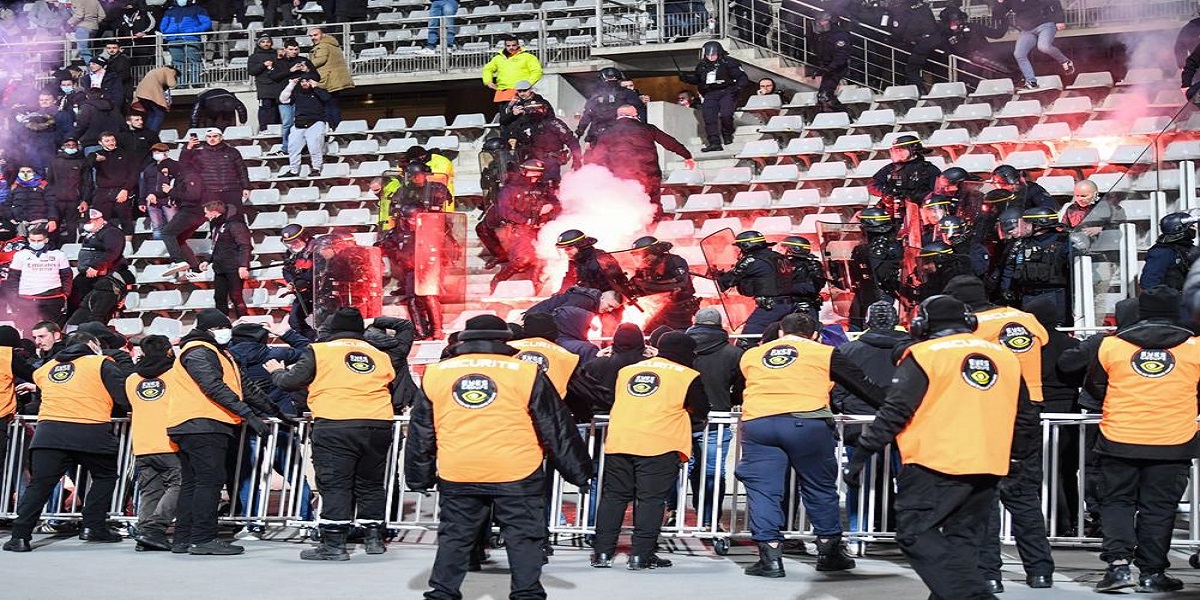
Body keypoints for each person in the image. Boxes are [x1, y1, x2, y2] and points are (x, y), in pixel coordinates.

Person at [846, 294, 1034, 599]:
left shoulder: (925, 354)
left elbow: (896, 410)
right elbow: (1026, 416)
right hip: (989, 462)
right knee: (962, 541)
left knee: (914, 533)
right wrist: (1018, 457)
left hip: (935, 460)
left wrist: (864, 452)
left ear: (921, 325)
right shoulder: (1005, 356)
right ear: (969, 321)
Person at [406, 314, 592, 599]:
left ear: (465, 339)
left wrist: (419, 476)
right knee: (524, 537)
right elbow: (555, 426)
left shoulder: (438, 372)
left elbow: (422, 431)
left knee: (454, 536)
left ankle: (442, 592)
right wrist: (578, 471)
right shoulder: (525, 372)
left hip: (459, 468)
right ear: (505, 338)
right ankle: (526, 593)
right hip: (516, 469)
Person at [738, 313, 885, 577]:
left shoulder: (752, 355)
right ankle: (829, 553)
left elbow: (741, 387)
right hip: (807, 422)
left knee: (764, 490)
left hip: (758, 423)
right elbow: (862, 386)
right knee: (819, 488)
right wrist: (897, 409)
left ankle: (770, 558)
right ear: (815, 335)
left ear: (781, 332)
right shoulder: (824, 352)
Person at [942, 275, 1053, 591]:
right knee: (1024, 497)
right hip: (1030, 406)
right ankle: (1040, 571)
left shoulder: (972, 327)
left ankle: (989, 574)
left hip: (988, 407)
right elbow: (1041, 342)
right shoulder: (1025, 318)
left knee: (984, 498)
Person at [1086, 286, 1199, 593]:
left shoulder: (1112, 346)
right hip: (1173, 440)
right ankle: (1151, 573)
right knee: (1159, 508)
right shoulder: (1195, 347)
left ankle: (1118, 567)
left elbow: (1096, 387)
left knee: (1116, 502)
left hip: (1119, 436)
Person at [266, 307, 401, 561]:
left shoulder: (320, 350)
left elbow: (290, 381)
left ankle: (334, 544)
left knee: (335, 482)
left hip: (336, 422)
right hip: (378, 422)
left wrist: (276, 372)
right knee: (371, 483)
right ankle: (374, 539)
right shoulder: (378, 354)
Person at [3, 331, 129, 552]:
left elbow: (41, 398)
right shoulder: (101, 363)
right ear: (92, 344)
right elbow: (123, 398)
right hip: (91, 429)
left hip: (49, 433)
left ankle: (19, 537)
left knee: (40, 485)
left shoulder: (45, 369)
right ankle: (93, 526)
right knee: (105, 476)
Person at [592, 331, 708, 569]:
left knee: (614, 497)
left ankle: (602, 553)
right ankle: (641, 555)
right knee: (650, 500)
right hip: (659, 442)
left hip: (621, 440)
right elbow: (701, 408)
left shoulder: (628, 371)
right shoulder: (687, 375)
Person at [167, 309, 278, 555]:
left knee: (193, 483)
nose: (226, 332)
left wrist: (275, 410)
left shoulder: (218, 353)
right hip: (202, 423)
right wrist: (248, 414)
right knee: (209, 481)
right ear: (210, 329)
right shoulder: (198, 350)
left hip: (196, 424)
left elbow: (244, 387)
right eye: (221, 328)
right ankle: (203, 538)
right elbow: (213, 386)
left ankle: (184, 538)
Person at [685, 308, 744, 526]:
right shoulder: (733, 353)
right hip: (718, 418)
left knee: (682, 470)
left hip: (683, 418)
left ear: (694, 322)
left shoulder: (683, 350)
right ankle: (710, 519)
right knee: (713, 471)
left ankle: (674, 513)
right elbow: (740, 389)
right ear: (720, 326)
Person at [584, 104, 695, 218]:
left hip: (620, 176)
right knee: (653, 205)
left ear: (618, 116)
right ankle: (652, 230)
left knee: (623, 205)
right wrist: (687, 155)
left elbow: (597, 155)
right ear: (635, 115)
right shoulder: (647, 128)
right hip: (649, 174)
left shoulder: (607, 132)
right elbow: (670, 142)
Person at [126, 334, 182, 552]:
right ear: (168, 350)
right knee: (180, 484)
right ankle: (154, 527)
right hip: (169, 441)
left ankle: (144, 533)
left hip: (141, 442)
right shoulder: (176, 374)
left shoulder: (132, 379)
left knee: (150, 490)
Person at [377, 204, 444, 340]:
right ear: (403, 219)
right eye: (412, 219)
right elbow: (385, 246)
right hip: (410, 270)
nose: (415, 222)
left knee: (429, 296)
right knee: (412, 300)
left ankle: (437, 329)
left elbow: (447, 248)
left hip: (429, 268)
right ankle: (420, 331)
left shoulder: (431, 230)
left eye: (417, 219)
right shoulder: (396, 233)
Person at [511, 312, 594, 422]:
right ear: (554, 331)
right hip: (547, 420)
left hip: (507, 417)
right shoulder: (565, 356)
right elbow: (582, 392)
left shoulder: (508, 349)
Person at [480, 158, 556, 273]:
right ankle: (500, 256)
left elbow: (556, 201)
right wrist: (526, 220)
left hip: (537, 227)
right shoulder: (511, 188)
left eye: (538, 176)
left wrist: (550, 205)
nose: (535, 180)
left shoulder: (542, 186)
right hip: (519, 226)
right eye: (532, 176)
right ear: (524, 172)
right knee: (518, 260)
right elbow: (505, 210)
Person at [714, 230, 791, 342]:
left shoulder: (752, 260)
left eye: (740, 247)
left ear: (746, 246)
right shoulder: (778, 257)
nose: (739, 251)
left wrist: (718, 275)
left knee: (747, 340)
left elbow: (728, 281)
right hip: (789, 305)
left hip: (770, 308)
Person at [1001, 207, 1071, 321]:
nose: (1022, 226)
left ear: (1038, 225)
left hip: (1055, 295)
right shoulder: (1021, 243)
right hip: (1028, 296)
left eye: (1026, 224)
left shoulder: (1064, 242)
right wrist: (1006, 289)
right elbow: (1010, 267)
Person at [679, 41, 749, 152]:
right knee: (709, 118)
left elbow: (742, 77)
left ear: (719, 53)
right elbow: (698, 79)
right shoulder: (702, 65)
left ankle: (727, 133)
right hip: (710, 93)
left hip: (727, 91)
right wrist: (686, 78)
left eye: (713, 54)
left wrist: (738, 87)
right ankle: (714, 142)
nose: (711, 57)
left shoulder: (729, 62)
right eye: (708, 55)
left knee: (726, 114)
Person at [996, 0, 1073, 89]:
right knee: (1019, 54)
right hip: (1027, 30)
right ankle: (1031, 82)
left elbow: (1054, 3)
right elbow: (998, 14)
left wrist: (1060, 20)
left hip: (1045, 24)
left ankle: (1065, 61)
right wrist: (1000, 3)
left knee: (1044, 47)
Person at [868, 135, 941, 229]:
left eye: (900, 150)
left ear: (913, 150)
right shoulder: (890, 168)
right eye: (895, 150)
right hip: (890, 209)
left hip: (918, 212)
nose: (897, 153)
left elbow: (937, 193)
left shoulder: (928, 169)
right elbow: (872, 184)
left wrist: (914, 196)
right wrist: (886, 192)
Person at [628, 236, 699, 331]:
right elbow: (637, 286)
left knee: (678, 337)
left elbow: (681, 284)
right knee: (648, 336)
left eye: (644, 255)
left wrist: (647, 285)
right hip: (657, 311)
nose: (643, 259)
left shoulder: (675, 261)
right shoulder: (644, 268)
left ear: (655, 251)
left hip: (680, 310)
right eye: (638, 256)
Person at [848, 208, 903, 328]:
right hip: (864, 295)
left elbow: (883, 276)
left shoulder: (885, 249)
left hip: (882, 299)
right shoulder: (863, 249)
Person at [6, 224, 71, 324]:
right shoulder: (20, 255)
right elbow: (13, 278)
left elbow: (66, 276)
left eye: (39, 240)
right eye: (33, 240)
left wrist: (65, 294)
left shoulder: (58, 254)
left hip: (53, 298)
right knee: (27, 329)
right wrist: (15, 298)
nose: (36, 243)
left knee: (52, 328)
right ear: (28, 240)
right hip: (26, 298)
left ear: (46, 240)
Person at [68, 209, 129, 315]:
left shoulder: (111, 232)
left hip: (104, 273)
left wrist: (96, 266)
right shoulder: (91, 233)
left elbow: (112, 252)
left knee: (101, 303)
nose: (86, 225)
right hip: (87, 273)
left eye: (88, 222)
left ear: (98, 220)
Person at [197, 201, 251, 318]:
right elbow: (214, 245)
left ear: (214, 212)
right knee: (219, 297)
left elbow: (245, 245)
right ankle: (223, 324)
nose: (205, 216)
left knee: (236, 297)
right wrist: (207, 260)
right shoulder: (216, 225)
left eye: (207, 213)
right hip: (220, 268)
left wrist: (243, 266)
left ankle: (244, 323)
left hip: (234, 268)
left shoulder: (235, 224)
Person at [182, 128, 251, 218]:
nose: (212, 139)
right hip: (210, 191)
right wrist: (188, 148)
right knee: (215, 219)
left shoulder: (232, 152)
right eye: (209, 137)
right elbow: (183, 165)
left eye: (215, 136)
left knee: (236, 217)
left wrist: (246, 187)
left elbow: (241, 170)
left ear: (221, 137)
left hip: (231, 190)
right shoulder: (198, 153)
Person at [509, 101, 580, 188]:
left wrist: (577, 160)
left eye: (537, 108)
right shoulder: (522, 125)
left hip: (552, 159)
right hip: (530, 161)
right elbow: (512, 141)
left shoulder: (554, 123)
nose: (534, 112)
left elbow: (572, 140)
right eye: (530, 109)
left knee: (550, 184)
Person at [575, 67, 644, 145]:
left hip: (619, 132)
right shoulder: (597, 95)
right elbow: (588, 114)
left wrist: (581, 131)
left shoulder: (627, 93)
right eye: (609, 78)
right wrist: (581, 131)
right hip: (606, 133)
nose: (610, 81)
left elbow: (587, 115)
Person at [88, 132, 139, 236]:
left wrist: (125, 189)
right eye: (107, 141)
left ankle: (128, 246)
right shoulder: (97, 154)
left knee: (126, 220)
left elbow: (133, 174)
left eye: (112, 140)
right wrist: (94, 158)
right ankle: (103, 244)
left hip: (121, 191)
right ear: (100, 142)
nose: (111, 143)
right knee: (101, 220)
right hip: (103, 192)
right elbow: (88, 162)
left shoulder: (126, 154)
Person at [279, 73, 330, 178]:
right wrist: (291, 84)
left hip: (316, 122)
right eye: (302, 81)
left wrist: (316, 86)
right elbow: (283, 99)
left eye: (307, 81)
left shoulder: (318, 92)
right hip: (299, 123)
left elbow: (326, 98)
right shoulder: (297, 93)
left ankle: (316, 168)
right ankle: (293, 170)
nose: (304, 83)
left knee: (314, 146)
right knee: (293, 147)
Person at [46, 138, 90, 244]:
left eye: (73, 145)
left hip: (74, 201)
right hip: (57, 200)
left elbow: (87, 183)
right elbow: (50, 182)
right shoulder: (54, 161)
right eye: (68, 145)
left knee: (72, 229)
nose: (71, 147)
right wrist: (50, 198)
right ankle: (53, 250)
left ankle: (72, 253)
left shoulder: (82, 161)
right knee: (53, 227)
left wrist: (85, 200)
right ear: (63, 147)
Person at [1140, 211, 1198, 292]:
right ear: (1178, 229)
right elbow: (1149, 284)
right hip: (1172, 301)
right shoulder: (1162, 252)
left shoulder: (1189, 249)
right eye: (1191, 226)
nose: (1194, 228)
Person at [481, 36, 543, 112]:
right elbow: (487, 69)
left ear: (518, 45)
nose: (511, 47)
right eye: (508, 46)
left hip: (521, 93)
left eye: (514, 45)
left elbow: (537, 71)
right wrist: (488, 81)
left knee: (522, 117)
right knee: (505, 119)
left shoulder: (528, 57)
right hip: (503, 94)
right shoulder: (498, 58)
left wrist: (526, 85)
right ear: (505, 46)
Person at [307, 28, 354, 127]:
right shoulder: (333, 44)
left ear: (323, 35)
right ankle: (336, 127)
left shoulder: (322, 46)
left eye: (315, 35)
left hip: (328, 80)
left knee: (329, 106)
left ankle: (333, 128)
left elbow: (320, 60)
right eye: (311, 36)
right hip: (334, 80)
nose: (313, 38)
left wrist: (305, 65)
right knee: (333, 105)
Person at [158, 0, 211, 88]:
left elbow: (207, 23)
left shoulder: (197, 9)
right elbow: (163, 26)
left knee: (194, 60)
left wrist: (193, 31)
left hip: (191, 39)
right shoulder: (170, 11)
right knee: (177, 62)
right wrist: (169, 32)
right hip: (173, 39)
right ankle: (181, 84)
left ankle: (196, 82)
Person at [776, 236, 828, 320]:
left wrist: (783, 288)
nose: (781, 250)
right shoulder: (780, 264)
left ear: (794, 249)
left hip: (804, 308)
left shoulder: (812, 265)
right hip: (782, 307)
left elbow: (812, 288)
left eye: (784, 247)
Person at [810, 12, 852, 113]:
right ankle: (833, 114)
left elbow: (841, 55)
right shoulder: (822, 36)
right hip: (827, 68)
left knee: (825, 95)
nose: (820, 23)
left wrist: (830, 67)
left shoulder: (839, 35)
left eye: (823, 21)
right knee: (822, 95)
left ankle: (845, 115)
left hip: (837, 68)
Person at [281, 224, 316, 338]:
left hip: (320, 293)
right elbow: (286, 270)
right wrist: (291, 282)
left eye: (295, 242)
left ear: (304, 238)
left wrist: (302, 281)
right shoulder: (290, 254)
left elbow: (317, 271)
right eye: (289, 243)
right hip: (302, 293)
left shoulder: (317, 249)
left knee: (324, 323)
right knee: (294, 321)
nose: (292, 245)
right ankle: (310, 342)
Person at [138, 143, 178, 241]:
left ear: (166, 153)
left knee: (173, 226)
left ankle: (176, 249)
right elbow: (144, 185)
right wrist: (142, 201)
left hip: (169, 200)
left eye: (159, 151)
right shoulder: (149, 168)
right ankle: (159, 250)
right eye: (155, 152)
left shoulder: (175, 165)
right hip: (152, 202)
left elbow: (178, 182)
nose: (156, 153)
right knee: (157, 227)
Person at [247, 36, 285, 133]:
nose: (265, 44)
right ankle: (264, 129)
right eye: (263, 42)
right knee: (266, 108)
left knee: (278, 110)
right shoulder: (254, 57)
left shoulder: (276, 54)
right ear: (259, 44)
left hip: (278, 85)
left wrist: (280, 58)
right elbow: (251, 71)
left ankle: (278, 129)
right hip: (264, 87)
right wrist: (263, 65)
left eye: (267, 42)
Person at [992, 164, 1056, 211]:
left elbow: (1048, 208)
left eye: (1006, 185)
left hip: (1028, 226)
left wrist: (1030, 214)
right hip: (1002, 226)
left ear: (1016, 181)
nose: (1005, 189)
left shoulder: (1033, 189)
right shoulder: (996, 196)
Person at [132, 66, 177, 133]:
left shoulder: (155, 71)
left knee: (151, 114)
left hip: (141, 93)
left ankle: (147, 133)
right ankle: (153, 134)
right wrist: (174, 79)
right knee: (159, 114)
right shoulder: (170, 71)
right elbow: (172, 84)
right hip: (151, 93)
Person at [68, 0, 103, 65]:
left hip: (83, 28)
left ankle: (93, 67)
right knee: (87, 49)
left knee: (83, 50)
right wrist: (94, 22)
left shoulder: (76, 1)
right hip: (94, 28)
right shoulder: (95, 1)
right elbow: (102, 15)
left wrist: (68, 23)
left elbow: (79, 15)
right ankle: (91, 67)